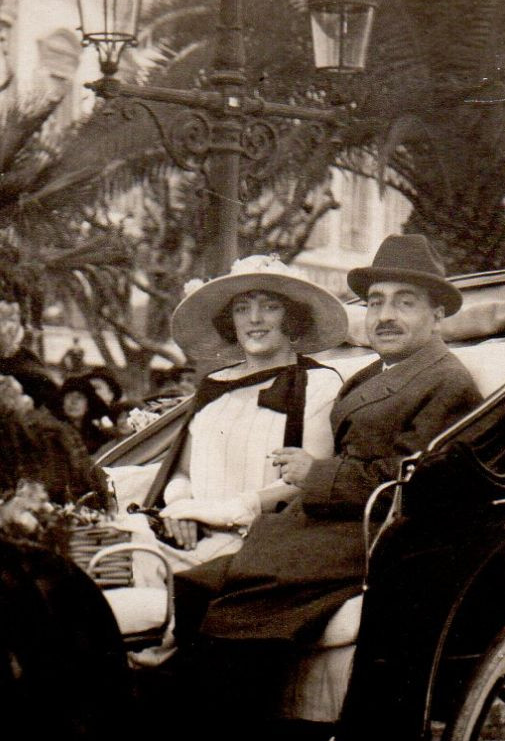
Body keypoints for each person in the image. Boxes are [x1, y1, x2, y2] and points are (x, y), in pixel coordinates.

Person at [173, 234, 481, 676]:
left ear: (437, 314)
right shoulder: (373, 374)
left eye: (404, 303)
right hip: (329, 522)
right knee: (194, 586)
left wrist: (315, 474)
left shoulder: (447, 382)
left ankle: (230, 731)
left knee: (237, 608)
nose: (385, 316)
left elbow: (415, 479)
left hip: (379, 535)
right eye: (375, 303)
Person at [119, 255, 347, 568]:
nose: (254, 318)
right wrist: (182, 509)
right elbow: (183, 471)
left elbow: (305, 481)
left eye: (269, 306)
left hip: (264, 545)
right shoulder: (213, 384)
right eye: (242, 308)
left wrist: (226, 511)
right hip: (190, 536)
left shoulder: (318, 383)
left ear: (292, 317)